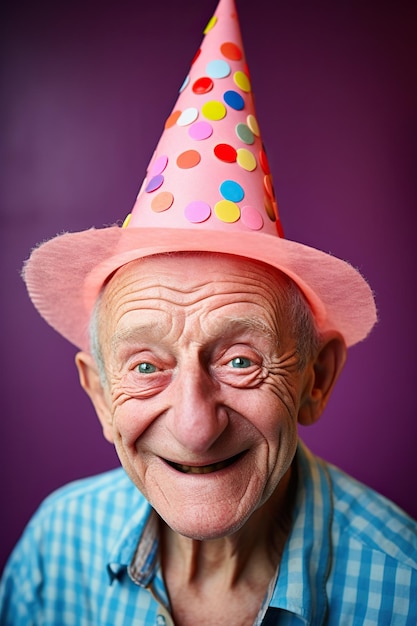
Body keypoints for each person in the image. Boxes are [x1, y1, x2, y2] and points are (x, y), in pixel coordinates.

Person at [1, 0, 416, 624]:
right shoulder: (55, 550)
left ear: (316, 379)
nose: (196, 427)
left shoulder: (404, 588)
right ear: (100, 393)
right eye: (145, 367)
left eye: (242, 360)